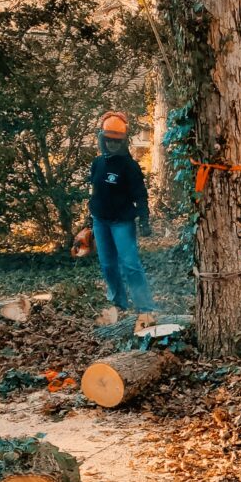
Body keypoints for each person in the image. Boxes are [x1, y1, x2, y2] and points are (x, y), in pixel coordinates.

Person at [87, 111, 156, 329]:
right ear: (102, 139)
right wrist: (87, 221)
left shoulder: (129, 166)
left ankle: (145, 308)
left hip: (122, 222)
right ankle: (118, 303)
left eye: (117, 141)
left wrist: (144, 220)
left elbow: (141, 195)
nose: (113, 144)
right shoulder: (97, 163)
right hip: (100, 221)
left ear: (123, 141)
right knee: (108, 265)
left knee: (130, 264)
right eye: (109, 140)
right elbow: (95, 192)